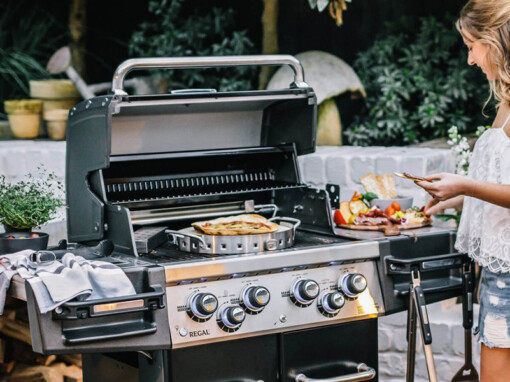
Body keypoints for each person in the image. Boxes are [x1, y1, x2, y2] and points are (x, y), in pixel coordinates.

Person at [415, 1, 510, 380]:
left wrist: (465, 184)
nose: (470, 59)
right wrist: (456, 196)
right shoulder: (505, 102)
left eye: (472, 46)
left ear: (495, 42)